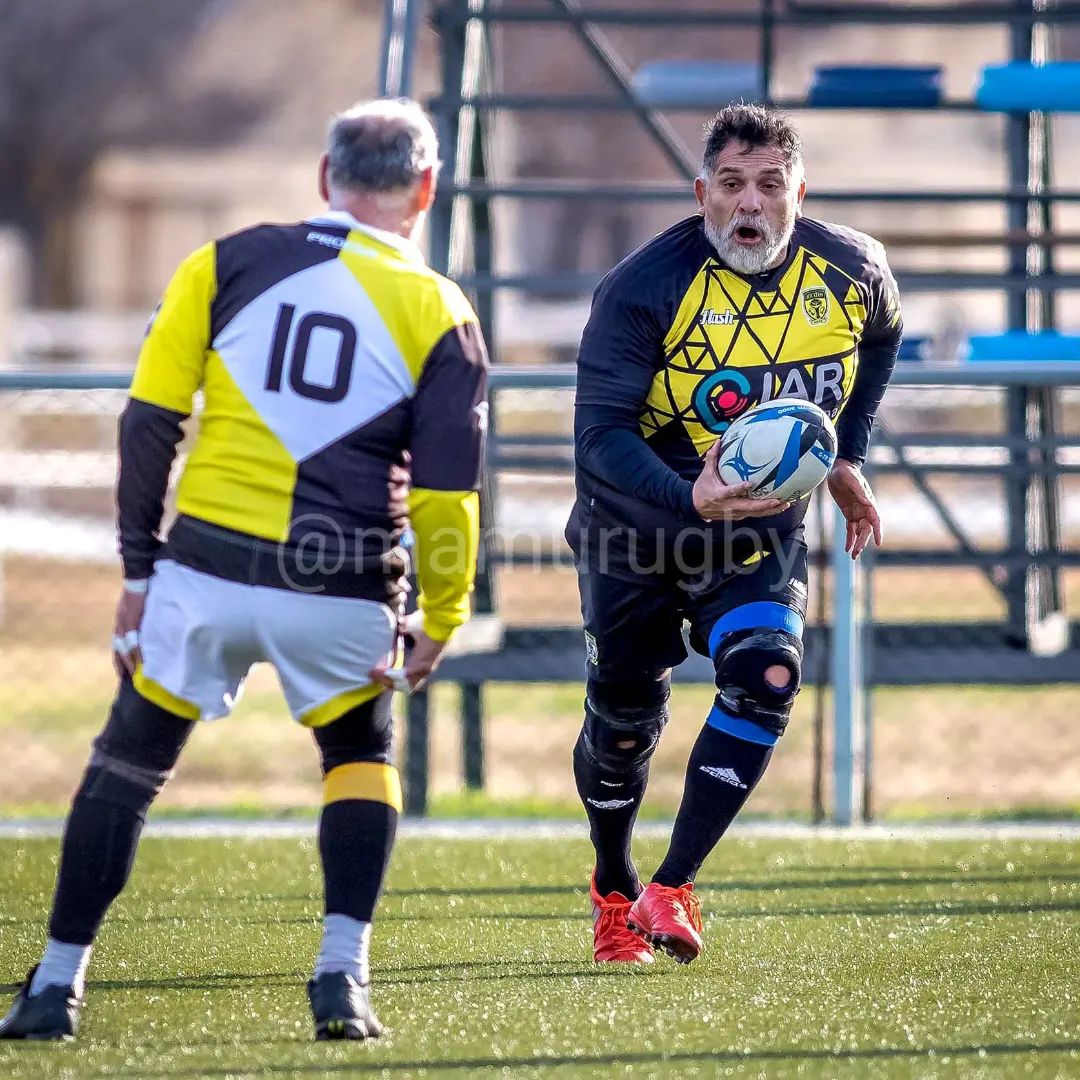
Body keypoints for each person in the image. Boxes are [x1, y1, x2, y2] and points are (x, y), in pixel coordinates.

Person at [1, 98, 488, 1041]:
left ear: (323, 178)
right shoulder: (441, 309)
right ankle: (341, 980)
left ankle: (56, 985)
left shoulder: (222, 261)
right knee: (358, 757)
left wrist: (140, 573)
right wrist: (445, 613)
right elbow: (445, 494)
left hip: (205, 574)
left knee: (129, 760)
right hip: (341, 588)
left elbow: (148, 424)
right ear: (426, 190)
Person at [568, 103, 901, 965]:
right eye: (730, 185)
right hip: (634, 529)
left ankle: (669, 889)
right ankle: (613, 887)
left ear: (799, 191)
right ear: (702, 192)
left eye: (768, 185)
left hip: (755, 529)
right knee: (625, 725)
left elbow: (880, 344)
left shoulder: (855, 272)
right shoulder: (643, 287)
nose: (749, 204)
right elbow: (600, 439)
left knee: (769, 672)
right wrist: (692, 495)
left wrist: (844, 458)